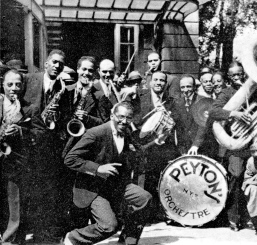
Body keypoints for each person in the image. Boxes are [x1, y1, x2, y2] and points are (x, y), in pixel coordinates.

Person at [63, 102, 152, 245]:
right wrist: (98, 168)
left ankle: (127, 241)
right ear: (112, 116)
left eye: (128, 118)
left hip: (116, 185)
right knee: (109, 226)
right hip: (94, 189)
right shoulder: (96, 133)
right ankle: (73, 238)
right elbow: (70, 158)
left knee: (144, 198)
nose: (124, 121)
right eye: (121, 117)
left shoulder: (126, 132)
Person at [22, 49, 72, 242]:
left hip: (47, 146)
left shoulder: (62, 87)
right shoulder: (29, 78)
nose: (57, 66)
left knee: (44, 190)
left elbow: (64, 116)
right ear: (46, 63)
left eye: (61, 63)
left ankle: (40, 232)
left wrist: (56, 119)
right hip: (27, 142)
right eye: (55, 62)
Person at [130, 71, 180, 222]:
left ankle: (156, 212)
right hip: (142, 143)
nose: (159, 83)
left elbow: (175, 120)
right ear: (150, 81)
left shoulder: (170, 100)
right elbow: (132, 116)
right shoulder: (138, 96)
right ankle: (141, 213)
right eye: (156, 80)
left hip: (160, 145)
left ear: (165, 84)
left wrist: (167, 116)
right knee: (141, 178)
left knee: (158, 177)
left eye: (162, 81)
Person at [209, 61, 251, 231]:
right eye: (233, 75)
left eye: (239, 74)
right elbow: (213, 112)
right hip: (236, 142)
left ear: (244, 74)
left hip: (254, 141)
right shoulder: (226, 93)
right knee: (236, 177)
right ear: (229, 77)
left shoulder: (253, 91)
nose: (236, 77)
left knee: (254, 179)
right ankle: (233, 218)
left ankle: (252, 217)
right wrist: (234, 113)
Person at [0, 69, 35, 244]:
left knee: (15, 206)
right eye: (9, 84)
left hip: (15, 164)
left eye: (18, 84)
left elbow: (37, 134)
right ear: (2, 85)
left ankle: (11, 239)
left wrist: (20, 130)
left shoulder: (28, 108)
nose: (14, 88)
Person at [174, 75, 207, 156]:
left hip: (201, 147)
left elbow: (203, 126)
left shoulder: (203, 101)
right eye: (183, 87)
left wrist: (196, 145)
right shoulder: (177, 102)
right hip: (183, 148)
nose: (185, 90)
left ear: (194, 87)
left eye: (188, 86)